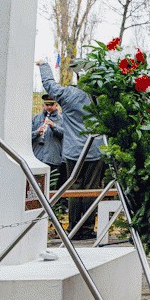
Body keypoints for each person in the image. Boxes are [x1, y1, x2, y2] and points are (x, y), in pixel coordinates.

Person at [37, 59, 104, 240]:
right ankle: (88, 228)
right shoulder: (100, 97)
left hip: (74, 150)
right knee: (92, 188)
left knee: (74, 188)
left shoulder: (68, 94)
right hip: (95, 149)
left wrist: (44, 66)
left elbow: (49, 85)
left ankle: (74, 227)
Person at [31, 94, 66, 195]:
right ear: (43, 106)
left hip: (53, 159)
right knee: (36, 187)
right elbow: (27, 136)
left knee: (52, 188)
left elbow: (65, 134)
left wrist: (53, 125)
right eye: (47, 105)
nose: (49, 107)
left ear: (56, 105)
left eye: (51, 104)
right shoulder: (36, 118)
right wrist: (37, 132)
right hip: (38, 158)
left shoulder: (61, 119)